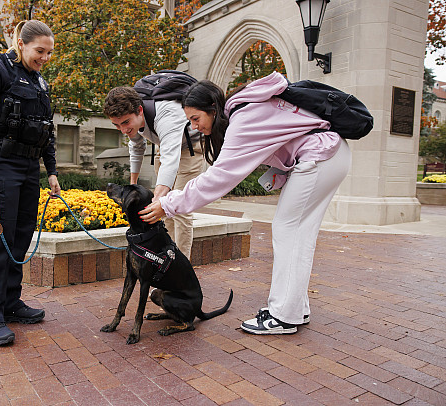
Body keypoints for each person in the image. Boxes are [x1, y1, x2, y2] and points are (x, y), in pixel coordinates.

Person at [140, 72, 351, 334]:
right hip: (329, 155)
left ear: (213, 109)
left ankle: (284, 316)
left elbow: (219, 179)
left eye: (196, 118)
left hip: (319, 157)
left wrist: (169, 204)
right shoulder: (246, 111)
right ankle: (295, 309)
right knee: (298, 235)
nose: (194, 127)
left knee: (288, 231)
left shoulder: (243, 118)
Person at [0, 20, 61, 346]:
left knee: (19, 239)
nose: (45, 57)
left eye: (49, 52)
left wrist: (51, 170)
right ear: (21, 43)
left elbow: (46, 128)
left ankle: (9, 303)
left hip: (28, 170)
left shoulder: (40, 83)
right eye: (40, 51)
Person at [103, 87, 205, 259]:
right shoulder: (130, 123)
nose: (123, 130)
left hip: (190, 148)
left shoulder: (167, 116)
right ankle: (166, 259)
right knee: (165, 213)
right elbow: (136, 147)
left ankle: (180, 269)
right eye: (117, 125)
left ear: (140, 111)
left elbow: (171, 161)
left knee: (180, 210)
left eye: (126, 123)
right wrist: (133, 184)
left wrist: (158, 200)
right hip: (164, 147)